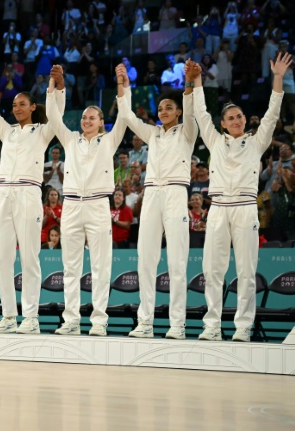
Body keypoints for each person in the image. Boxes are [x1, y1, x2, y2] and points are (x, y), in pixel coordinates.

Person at [190, 52, 293, 342]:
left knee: (246, 272)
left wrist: (277, 77)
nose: (236, 120)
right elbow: (200, 113)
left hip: (246, 208)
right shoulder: (213, 140)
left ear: (245, 120)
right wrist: (197, 81)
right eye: (231, 118)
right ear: (223, 123)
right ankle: (211, 326)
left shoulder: (256, 141)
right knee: (212, 270)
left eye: (239, 117)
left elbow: (272, 114)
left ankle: (243, 327)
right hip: (219, 208)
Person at [0, 50, 64, 334]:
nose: (16, 108)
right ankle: (9, 317)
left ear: (33, 107)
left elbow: (57, 112)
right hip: (4, 195)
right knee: (1, 255)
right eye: (14, 104)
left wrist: (57, 84)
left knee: (29, 257)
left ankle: (31, 318)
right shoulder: (7, 131)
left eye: (22, 104)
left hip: (28, 193)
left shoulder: (43, 131)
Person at [116, 60, 198, 339]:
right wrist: (123, 86)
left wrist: (188, 83)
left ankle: (177, 324)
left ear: (178, 112)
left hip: (176, 192)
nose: (163, 111)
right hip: (151, 193)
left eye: (169, 108)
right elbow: (127, 117)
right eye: (161, 108)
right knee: (146, 261)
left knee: (177, 261)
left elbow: (192, 109)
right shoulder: (152, 133)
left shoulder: (188, 132)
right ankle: (145, 322)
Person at [48, 64, 128, 336]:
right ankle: (71, 320)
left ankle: (98, 321)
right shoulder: (71, 140)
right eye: (84, 117)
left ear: (101, 122)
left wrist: (121, 84)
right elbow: (52, 115)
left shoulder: (109, 141)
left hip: (96, 205)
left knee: (100, 266)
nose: (86, 120)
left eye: (92, 118)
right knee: (70, 267)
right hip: (70, 205)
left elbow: (125, 115)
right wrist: (57, 86)